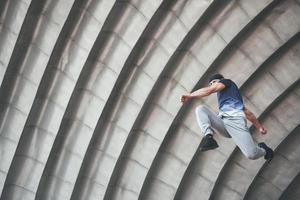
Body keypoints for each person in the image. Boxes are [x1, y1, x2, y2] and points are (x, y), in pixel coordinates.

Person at [180, 74, 273, 161]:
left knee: (251, 154)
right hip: (223, 123)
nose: (212, 85)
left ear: (220, 81)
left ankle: (264, 149)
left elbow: (209, 91)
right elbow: (247, 112)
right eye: (210, 84)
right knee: (201, 109)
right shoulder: (228, 97)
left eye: (214, 82)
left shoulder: (227, 82)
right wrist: (259, 127)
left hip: (236, 124)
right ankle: (209, 137)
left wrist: (190, 95)